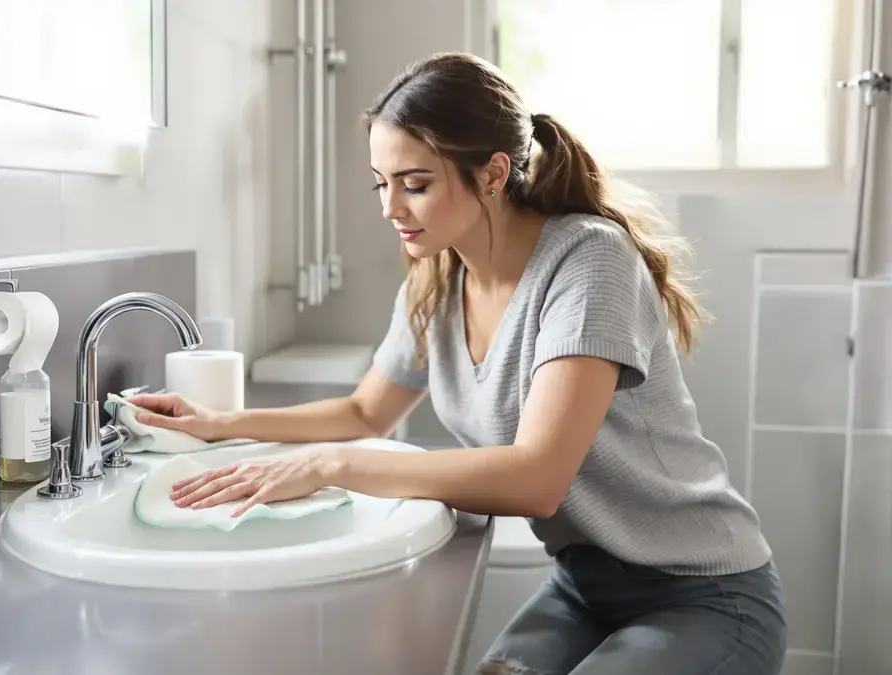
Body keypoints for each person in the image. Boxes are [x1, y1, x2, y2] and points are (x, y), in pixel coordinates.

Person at [127, 52, 786, 675]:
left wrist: (332, 465)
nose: (390, 208)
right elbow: (365, 410)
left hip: (705, 593)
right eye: (383, 183)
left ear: (494, 174)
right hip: (584, 586)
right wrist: (219, 422)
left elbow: (537, 479)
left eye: (415, 184)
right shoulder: (436, 282)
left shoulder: (590, 261)